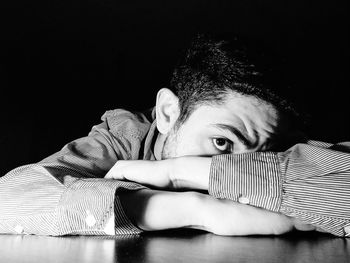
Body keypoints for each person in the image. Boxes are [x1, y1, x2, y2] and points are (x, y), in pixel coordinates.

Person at [0, 34, 349, 237]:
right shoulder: (126, 138)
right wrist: (196, 209)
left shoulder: (291, 148)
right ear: (168, 113)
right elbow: (10, 199)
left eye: (261, 154)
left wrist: (179, 172)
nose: (240, 165)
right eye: (222, 143)